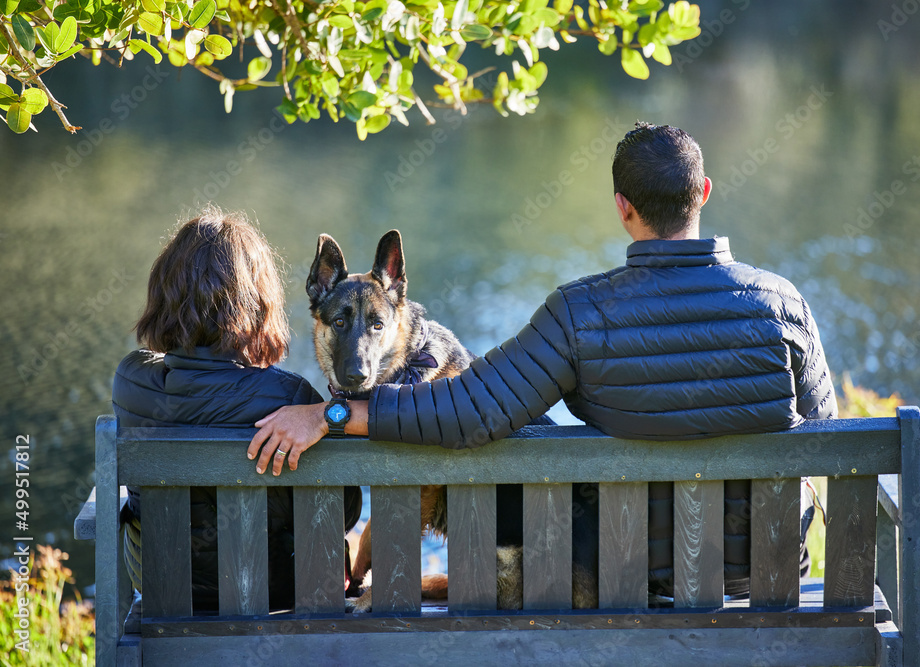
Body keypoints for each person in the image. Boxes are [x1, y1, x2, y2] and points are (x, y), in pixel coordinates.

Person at [248, 123, 837, 599]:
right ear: (704, 193)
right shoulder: (784, 304)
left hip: (631, 576)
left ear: (622, 207)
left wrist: (329, 416)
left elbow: (469, 410)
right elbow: (831, 441)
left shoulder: (580, 313)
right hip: (767, 577)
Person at [113, 207, 362, 612]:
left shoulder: (131, 381)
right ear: (257, 303)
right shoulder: (289, 397)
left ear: (164, 293)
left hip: (164, 588)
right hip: (274, 590)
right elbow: (343, 511)